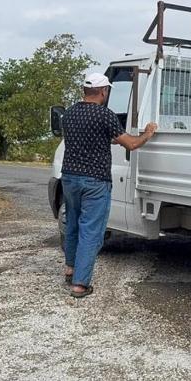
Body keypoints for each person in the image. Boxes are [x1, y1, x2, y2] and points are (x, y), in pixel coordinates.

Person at [60, 72, 158, 298]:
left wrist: (116, 136)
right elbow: (132, 145)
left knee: (73, 224)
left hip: (70, 178)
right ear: (103, 91)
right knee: (91, 231)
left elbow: (93, 136)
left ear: (84, 91)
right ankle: (80, 284)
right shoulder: (105, 115)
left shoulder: (69, 114)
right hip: (95, 182)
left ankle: (70, 269)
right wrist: (148, 133)